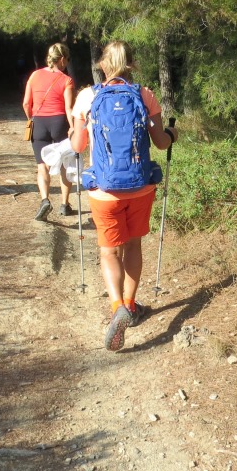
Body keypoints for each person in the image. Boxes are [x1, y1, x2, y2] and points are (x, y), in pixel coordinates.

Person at [70, 40, 178, 351]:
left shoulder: (87, 97)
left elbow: (77, 147)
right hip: (140, 187)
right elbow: (159, 143)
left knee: (108, 251)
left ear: (102, 65)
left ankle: (117, 305)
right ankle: (130, 304)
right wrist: (173, 134)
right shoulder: (144, 95)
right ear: (131, 65)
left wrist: (75, 132)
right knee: (133, 245)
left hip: (104, 191)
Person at [23, 42, 76, 221]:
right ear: (61, 59)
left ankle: (45, 200)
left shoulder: (34, 75)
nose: (67, 63)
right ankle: (64, 204)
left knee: (42, 166)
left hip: (39, 122)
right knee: (63, 163)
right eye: (67, 60)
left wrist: (32, 118)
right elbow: (69, 108)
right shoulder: (67, 80)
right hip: (59, 122)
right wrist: (73, 127)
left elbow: (25, 103)